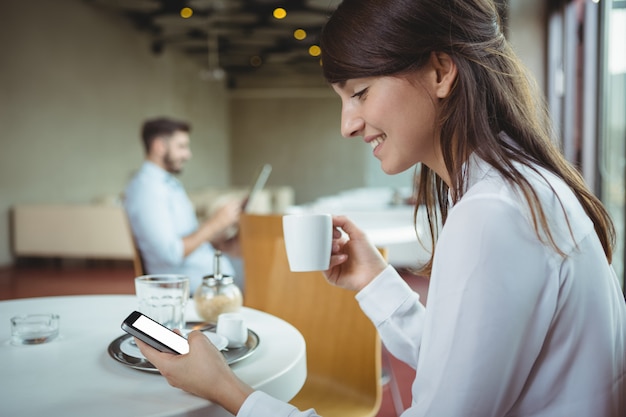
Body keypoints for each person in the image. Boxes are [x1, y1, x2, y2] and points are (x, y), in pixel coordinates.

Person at [135, 1, 626, 416]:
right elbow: (454, 363)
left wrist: (230, 392)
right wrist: (373, 279)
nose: (347, 124)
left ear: (439, 71)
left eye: (360, 93)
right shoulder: (516, 189)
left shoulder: (493, 214)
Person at [124, 117, 243, 294]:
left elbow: (189, 237)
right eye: (181, 146)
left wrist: (220, 236)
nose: (188, 154)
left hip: (209, 271)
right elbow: (171, 253)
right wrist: (215, 223)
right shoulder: (147, 190)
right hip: (191, 284)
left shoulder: (168, 184)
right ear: (159, 146)